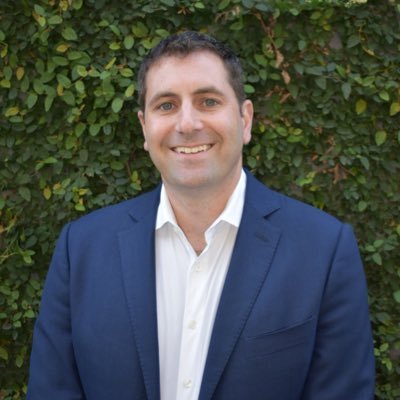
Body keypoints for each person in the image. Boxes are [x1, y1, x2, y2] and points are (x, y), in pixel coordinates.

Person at [27, 31, 375, 400]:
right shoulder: (81, 248)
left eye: (208, 101)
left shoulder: (323, 250)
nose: (187, 124)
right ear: (144, 127)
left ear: (245, 120)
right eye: (166, 105)